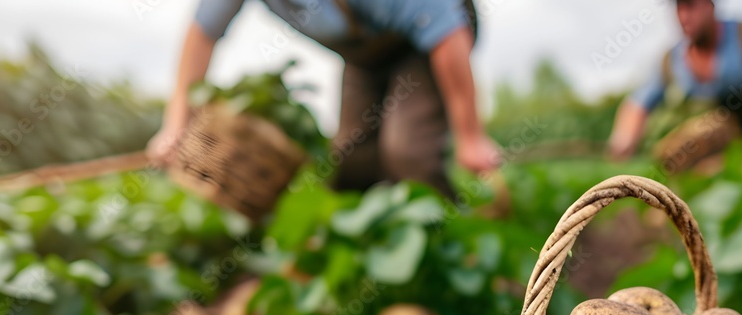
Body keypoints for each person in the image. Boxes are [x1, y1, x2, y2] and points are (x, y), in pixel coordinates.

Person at [147, 0, 501, 197]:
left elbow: (445, 31)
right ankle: (371, 270)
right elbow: (201, 36)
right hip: (366, 56)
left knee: (407, 151)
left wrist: (470, 137)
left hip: (431, 44)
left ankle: (444, 247)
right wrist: (177, 124)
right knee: (349, 156)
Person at [607, 0, 742, 166]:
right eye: (678, 8)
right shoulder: (673, 62)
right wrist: (624, 137)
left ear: (710, 6)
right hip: (737, 137)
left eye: (691, 6)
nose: (684, 16)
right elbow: (638, 103)